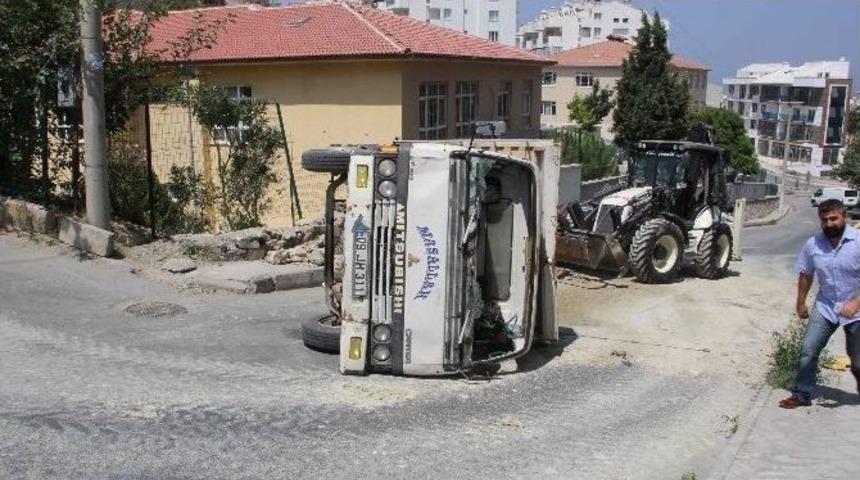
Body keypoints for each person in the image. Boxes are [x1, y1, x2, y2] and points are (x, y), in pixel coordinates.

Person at [779, 199, 860, 408]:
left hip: (857, 310)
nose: (829, 224)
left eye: (834, 218)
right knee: (808, 349)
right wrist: (801, 303)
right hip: (826, 306)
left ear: (844, 217)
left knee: (858, 361)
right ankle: (801, 394)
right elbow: (806, 274)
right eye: (825, 220)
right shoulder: (813, 244)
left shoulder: (858, 242)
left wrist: (855, 304)